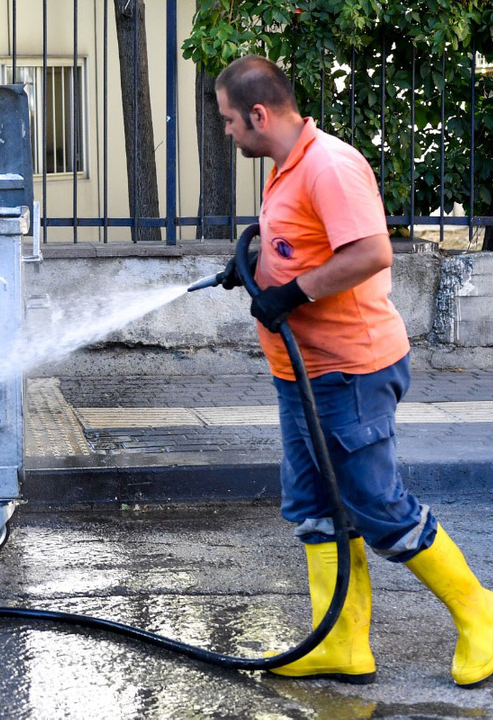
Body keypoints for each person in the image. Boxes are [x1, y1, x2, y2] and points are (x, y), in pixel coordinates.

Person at [214, 54, 493, 688]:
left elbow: (370, 251)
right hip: (304, 375)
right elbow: (303, 245)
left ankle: (481, 614)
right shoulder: (289, 167)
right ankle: (342, 644)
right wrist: (260, 268)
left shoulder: (330, 166)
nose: (227, 132)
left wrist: (291, 294)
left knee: (376, 505)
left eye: (230, 121)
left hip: (350, 372)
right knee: (313, 507)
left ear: (260, 114)